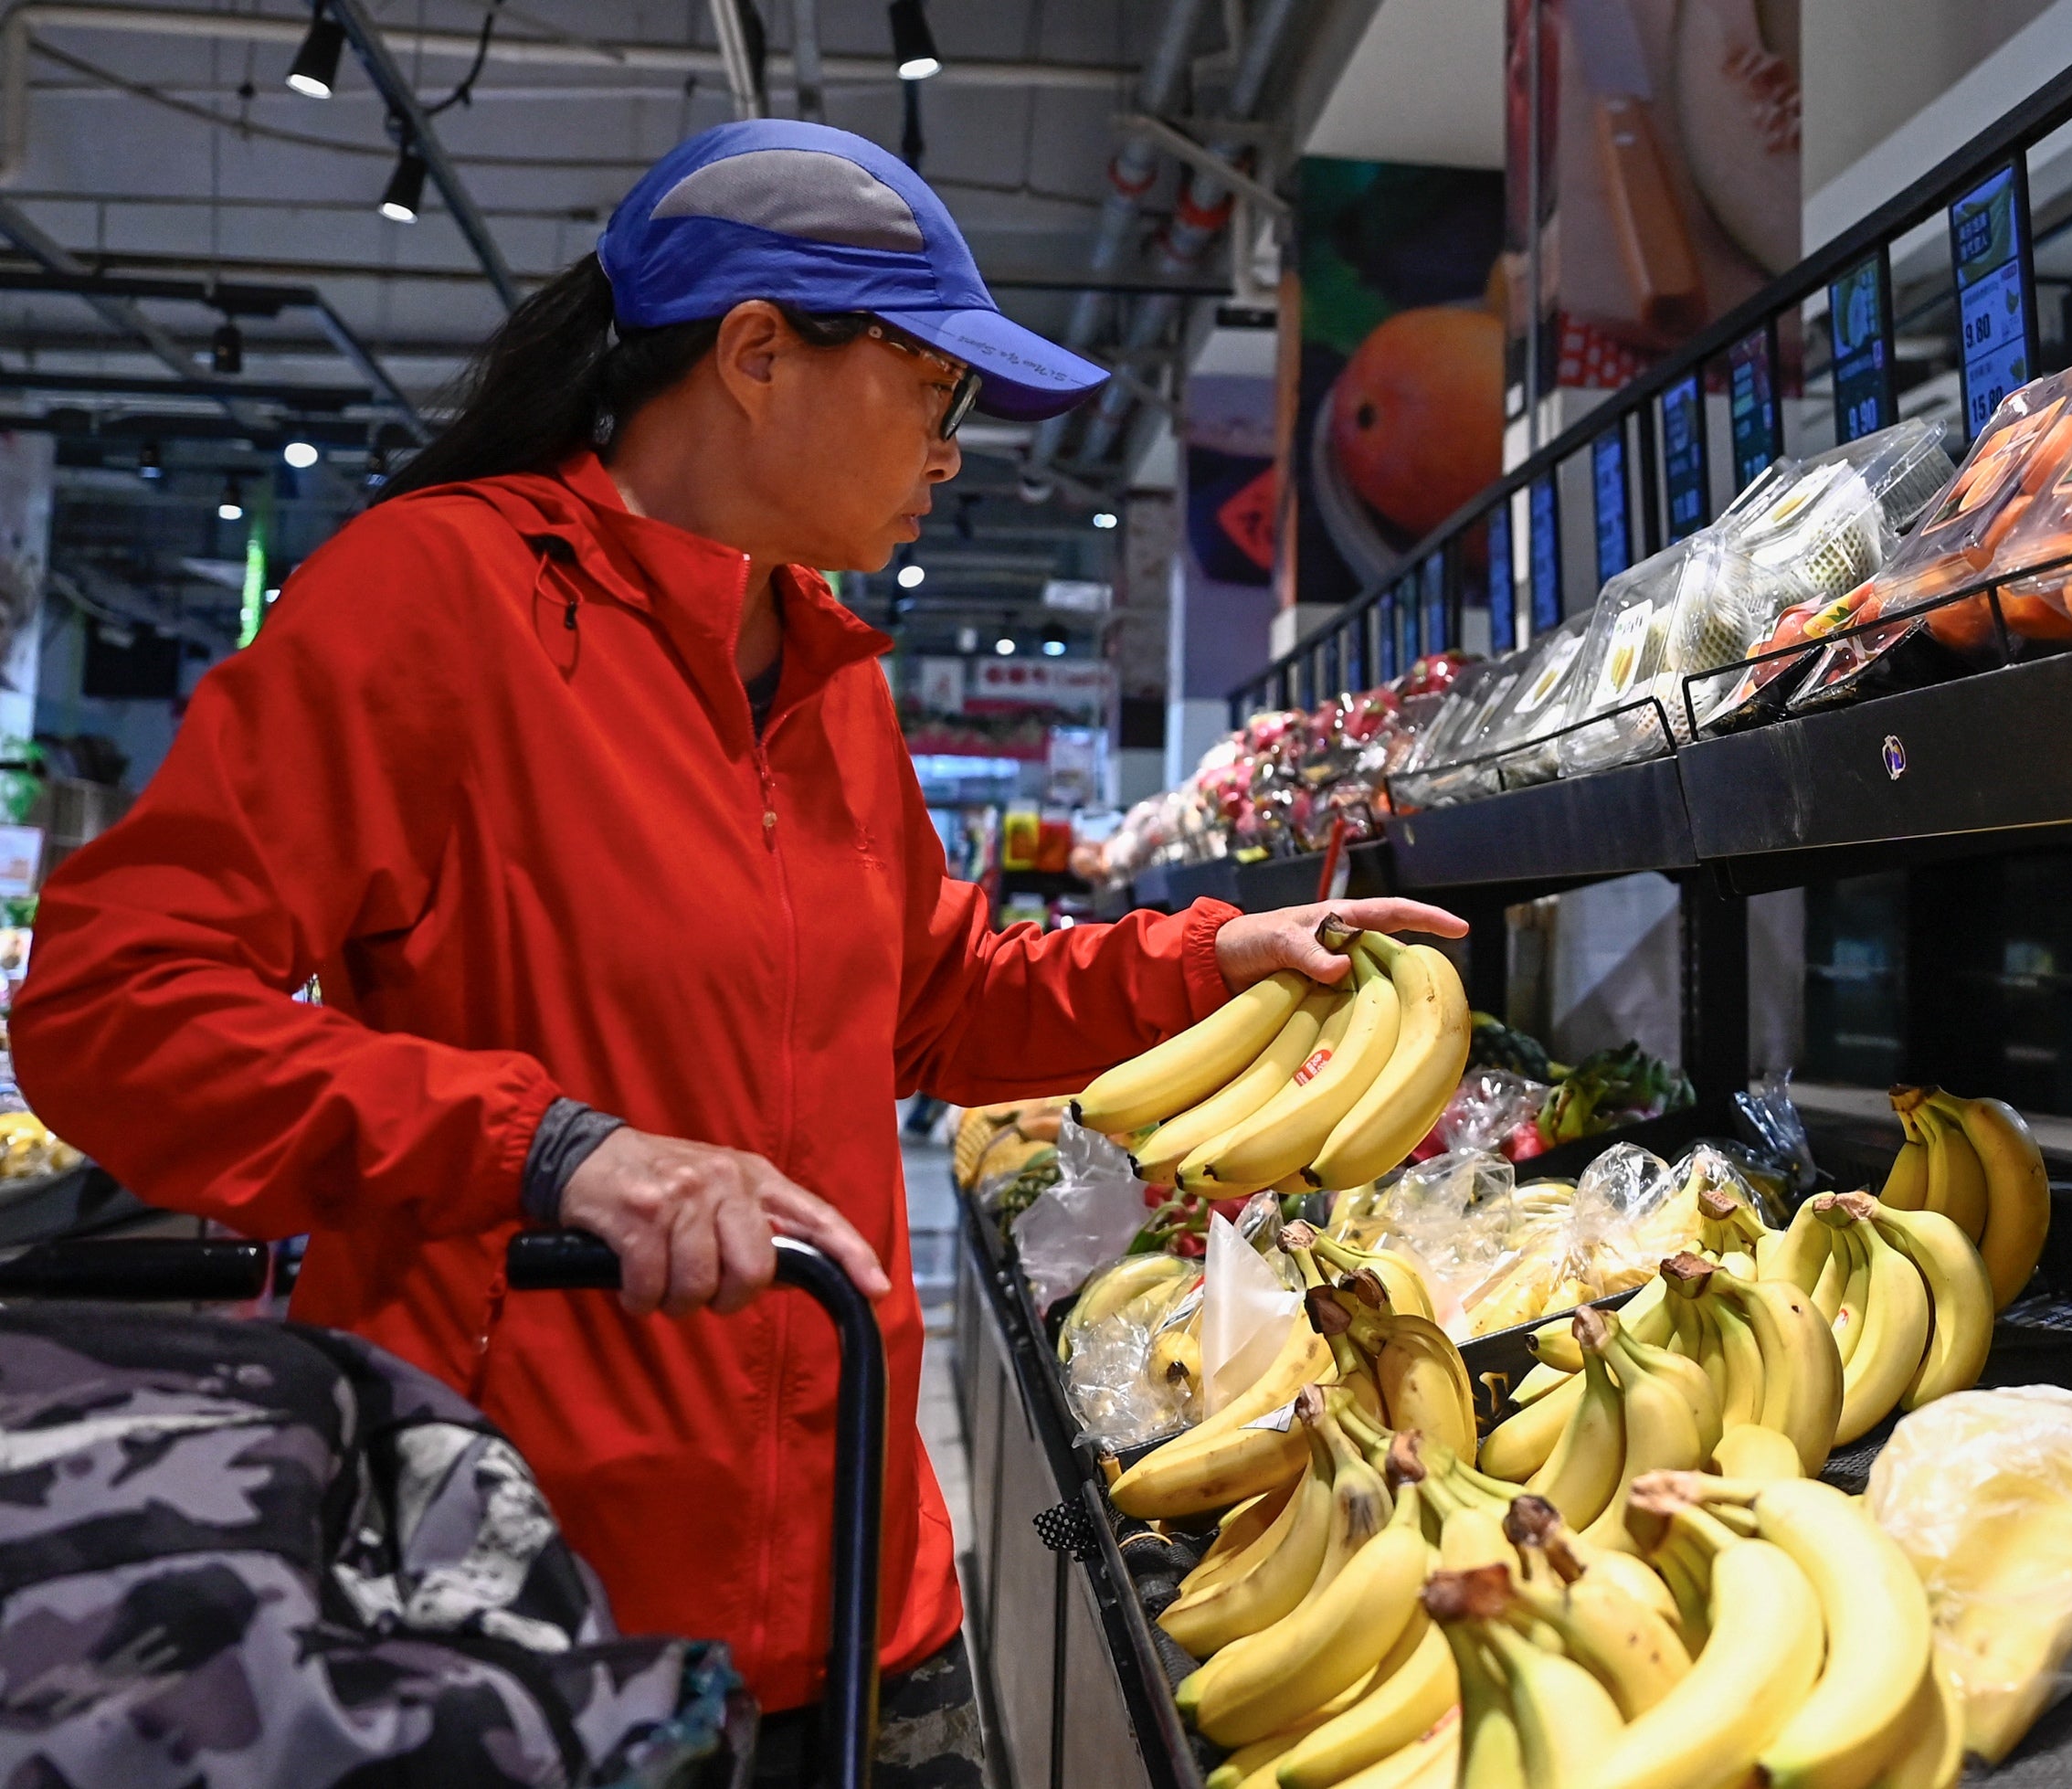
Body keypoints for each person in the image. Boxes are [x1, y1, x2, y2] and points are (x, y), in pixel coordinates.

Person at [9, 119, 1464, 1784]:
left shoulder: (830, 668)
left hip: (866, 1579)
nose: (953, 450)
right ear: (760, 353)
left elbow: (932, 997)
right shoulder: (439, 604)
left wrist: (1209, 958)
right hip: (534, 1602)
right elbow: (109, 1001)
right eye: (937, 388)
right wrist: (550, 1151)